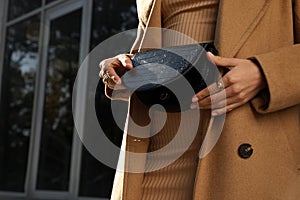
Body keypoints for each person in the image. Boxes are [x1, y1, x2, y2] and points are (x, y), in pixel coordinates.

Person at [99, 0, 300, 199]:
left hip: (240, 154)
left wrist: (264, 73)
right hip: (155, 159)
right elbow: (156, 51)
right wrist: (126, 68)